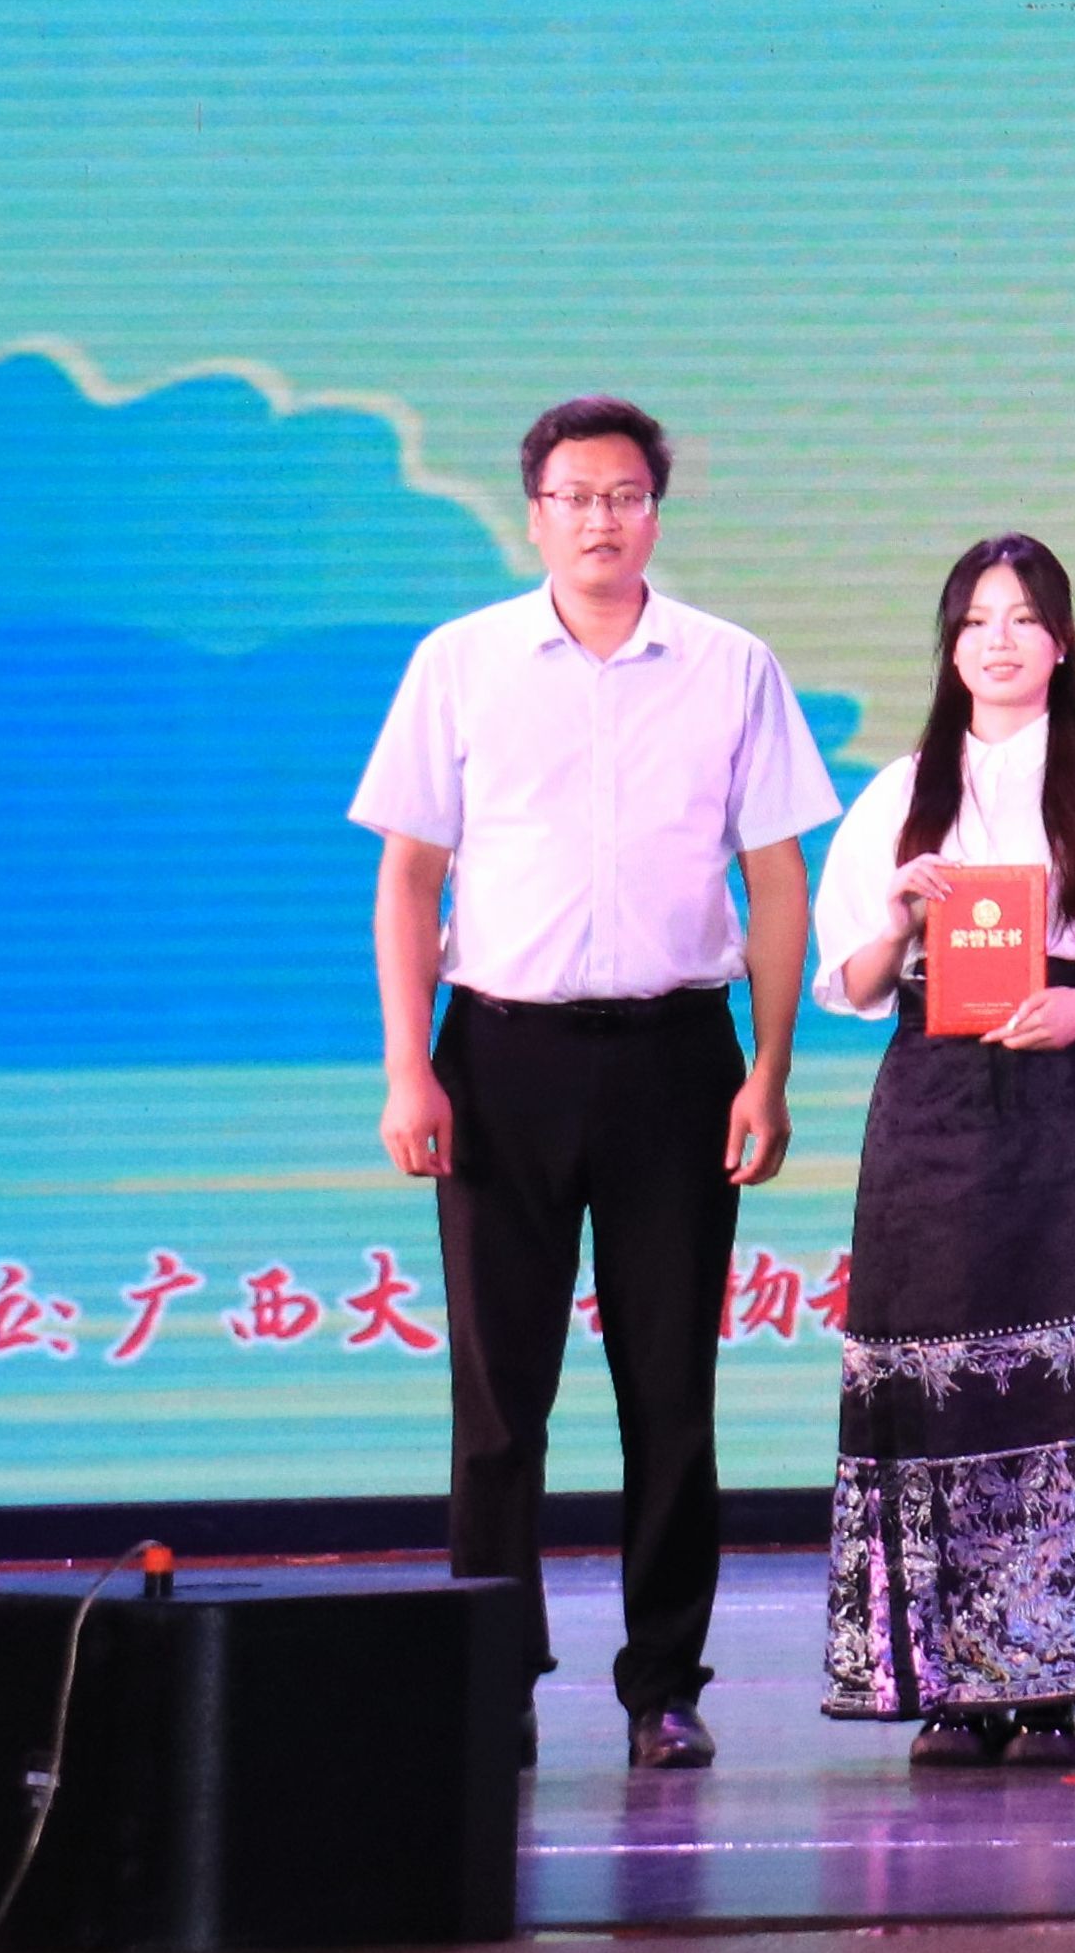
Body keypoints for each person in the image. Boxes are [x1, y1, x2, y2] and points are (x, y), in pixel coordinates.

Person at [351, 395, 837, 1772]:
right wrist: (406, 1065)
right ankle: (490, 1674)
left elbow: (778, 878)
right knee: (500, 1400)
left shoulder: (732, 665)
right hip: (499, 1058)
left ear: (655, 512)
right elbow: (408, 876)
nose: (600, 518)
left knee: (669, 1394)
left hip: (679, 1058)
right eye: (574, 495)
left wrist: (770, 1066)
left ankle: (662, 1684)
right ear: (535, 514)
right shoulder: (460, 662)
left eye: (624, 494)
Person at [808, 534, 1075, 1766]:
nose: (999, 638)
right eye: (977, 618)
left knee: (1064, 1378)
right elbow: (851, 981)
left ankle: (1055, 1677)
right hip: (933, 1100)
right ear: (951, 647)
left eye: (1024, 616)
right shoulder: (901, 794)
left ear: (1061, 642)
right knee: (937, 1375)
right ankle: (951, 1680)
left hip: (1064, 1095)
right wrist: (900, 909)